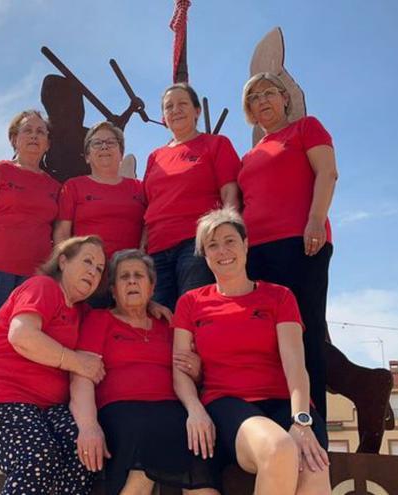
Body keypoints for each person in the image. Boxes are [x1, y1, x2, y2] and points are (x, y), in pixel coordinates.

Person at [173, 208, 330, 495]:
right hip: (227, 403)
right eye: (212, 245)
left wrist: (301, 421)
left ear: (246, 245)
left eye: (230, 241)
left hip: (287, 404)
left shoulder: (279, 296)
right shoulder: (190, 303)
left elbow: (296, 366)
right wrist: (194, 409)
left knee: (315, 474)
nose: (222, 251)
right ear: (205, 256)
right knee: (279, 448)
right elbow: (179, 367)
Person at [0, 236, 107, 495]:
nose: (94, 271)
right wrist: (77, 361)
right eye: (88, 261)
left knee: (84, 453)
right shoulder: (43, 287)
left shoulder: (82, 314)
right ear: (63, 261)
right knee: (37, 456)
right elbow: (21, 335)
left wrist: (149, 305)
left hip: (42, 409)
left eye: (100, 268)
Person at [70, 249, 217, 495]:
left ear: (152, 287)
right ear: (113, 291)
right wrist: (88, 425)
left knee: (198, 446)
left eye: (139, 276)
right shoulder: (99, 320)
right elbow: (81, 377)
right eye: (123, 277)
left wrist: (198, 371)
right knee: (140, 446)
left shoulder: (168, 324)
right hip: (121, 409)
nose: (131, 281)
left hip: (171, 408)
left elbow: (190, 373)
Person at [238, 72, 339, 424]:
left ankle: (314, 428)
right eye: (254, 97)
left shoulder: (306, 128)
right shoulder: (249, 155)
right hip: (256, 254)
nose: (262, 101)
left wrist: (315, 220)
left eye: (268, 93)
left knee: (305, 331)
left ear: (285, 98)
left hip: (300, 244)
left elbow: (327, 173)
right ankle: (276, 420)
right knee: (265, 338)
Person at [0, 110, 62, 352]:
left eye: (41, 132)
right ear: (14, 139)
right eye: (27, 130)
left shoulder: (56, 187)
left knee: (22, 348)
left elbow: (59, 238)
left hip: (34, 277)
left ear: (48, 143)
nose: (34, 136)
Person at [143, 83, 241, 310]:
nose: (175, 110)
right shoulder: (155, 157)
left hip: (196, 243)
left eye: (182, 104)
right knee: (158, 317)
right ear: (164, 117)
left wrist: (227, 236)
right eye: (169, 106)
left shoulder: (216, 144)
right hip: (156, 249)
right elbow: (150, 205)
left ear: (197, 111)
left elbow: (230, 192)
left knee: (193, 311)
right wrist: (142, 246)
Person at [53, 121, 145, 261]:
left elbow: (149, 228)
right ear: (87, 157)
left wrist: (141, 260)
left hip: (128, 273)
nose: (104, 147)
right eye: (96, 143)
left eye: (111, 142)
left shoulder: (141, 188)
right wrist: (65, 265)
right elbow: (62, 233)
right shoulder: (73, 187)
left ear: (121, 153)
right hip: (88, 272)